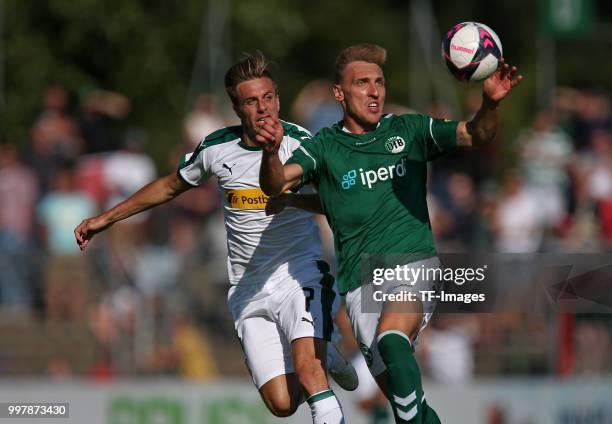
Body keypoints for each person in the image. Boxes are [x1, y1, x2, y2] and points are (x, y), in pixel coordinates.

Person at [74, 52, 356, 424]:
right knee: (282, 404)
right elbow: (170, 186)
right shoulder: (216, 148)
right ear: (237, 108)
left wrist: (290, 199)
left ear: (278, 99)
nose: (262, 108)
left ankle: (319, 351)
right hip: (248, 287)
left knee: (309, 373)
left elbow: (339, 202)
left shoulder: (303, 145)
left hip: (299, 275)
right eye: (251, 101)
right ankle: (326, 351)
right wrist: (107, 218)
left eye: (268, 98)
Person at [257, 43, 522, 423]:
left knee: (392, 339)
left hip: (411, 264)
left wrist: (491, 104)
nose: (374, 91)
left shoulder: (409, 130)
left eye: (378, 82)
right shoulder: (325, 147)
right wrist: (270, 154)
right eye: (361, 82)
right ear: (339, 94)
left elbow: (477, 134)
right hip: (358, 283)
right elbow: (276, 183)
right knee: (407, 410)